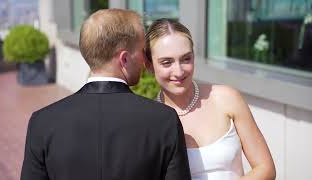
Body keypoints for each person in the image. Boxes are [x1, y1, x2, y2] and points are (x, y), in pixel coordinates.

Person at [20, 10, 191, 180]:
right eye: (141, 52)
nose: (144, 61)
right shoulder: (164, 120)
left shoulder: (42, 123)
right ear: (124, 59)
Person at [145, 18, 276, 180]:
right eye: (166, 62)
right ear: (149, 65)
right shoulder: (148, 121)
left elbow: (266, 168)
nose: (178, 72)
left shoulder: (227, 98)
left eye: (186, 59)